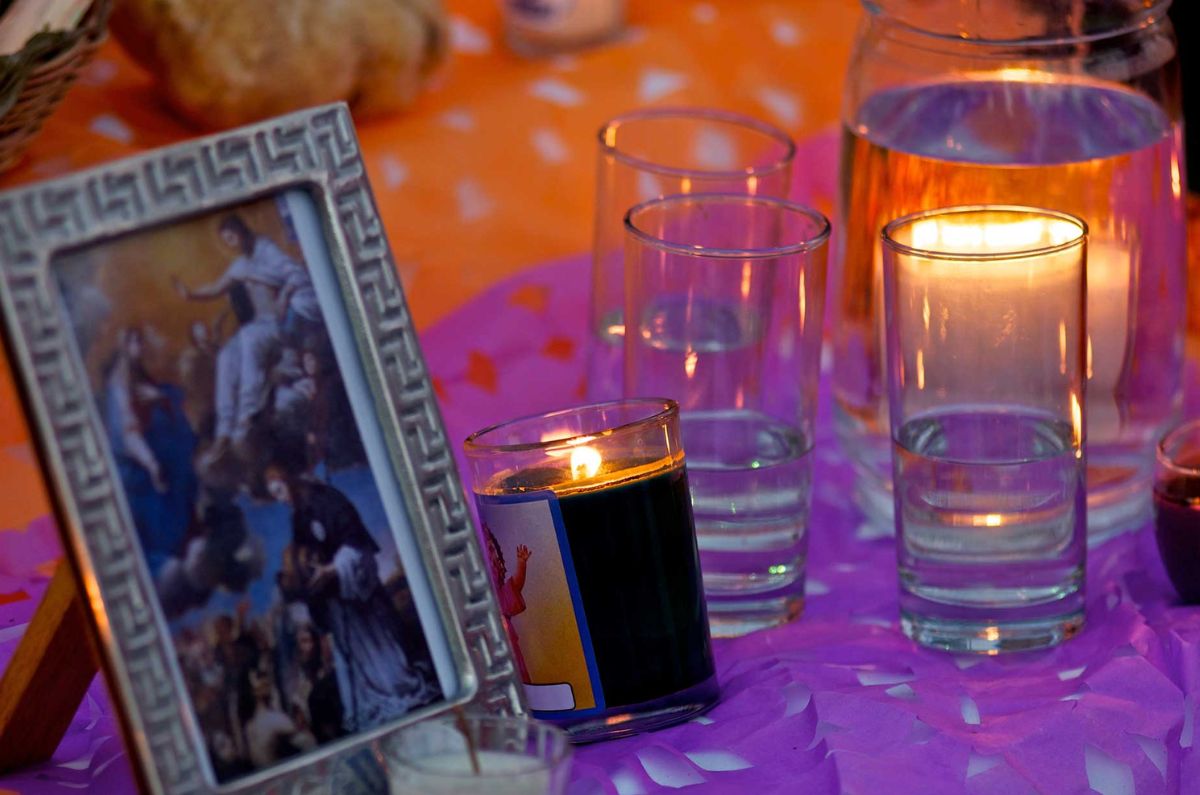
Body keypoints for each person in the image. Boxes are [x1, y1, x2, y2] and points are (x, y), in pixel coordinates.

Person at [264, 465, 438, 734]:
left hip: (358, 597)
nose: (281, 499)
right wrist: (307, 578)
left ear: (289, 481)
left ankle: (399, 693)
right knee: (353, 662)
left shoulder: (325, 499)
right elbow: (304, 558)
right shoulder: (298, 517)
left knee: (386, 667)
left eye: (279, 491)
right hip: (337, 604)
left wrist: (334, 570)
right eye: (274, 496)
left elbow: (355, 542)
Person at [101, 326, 197, 575]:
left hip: (149, 447)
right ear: (125, 345)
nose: (140, 347)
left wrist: (160, 397)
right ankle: (175, 549)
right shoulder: (118, 384)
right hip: (136, 463)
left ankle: (190, 528)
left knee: (182, 447)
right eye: (135, 342)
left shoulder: (134, 372)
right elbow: (128, 433)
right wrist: (152, 465)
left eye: (141, 342)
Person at [483, 524, 532, 681]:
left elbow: (515, 586)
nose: (494, 557)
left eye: (493, 552)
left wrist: (521, 564)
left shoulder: (499, 594)